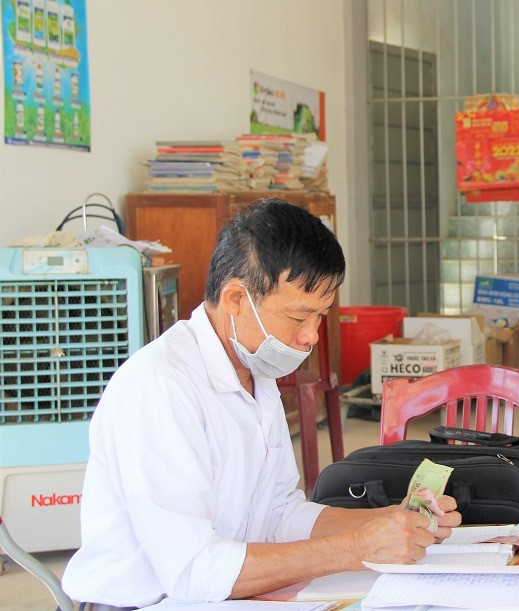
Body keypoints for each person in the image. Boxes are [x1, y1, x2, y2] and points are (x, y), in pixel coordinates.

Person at [63, 200, 462, 608]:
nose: (311, 336)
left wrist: (390, 521)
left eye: (321, 316)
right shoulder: (160, 387)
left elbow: (278, 514)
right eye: (298, 318)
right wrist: (358, 547)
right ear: (236, 298)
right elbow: (194, 572)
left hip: (225, 594)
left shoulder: (255, 372)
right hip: (149, 603)